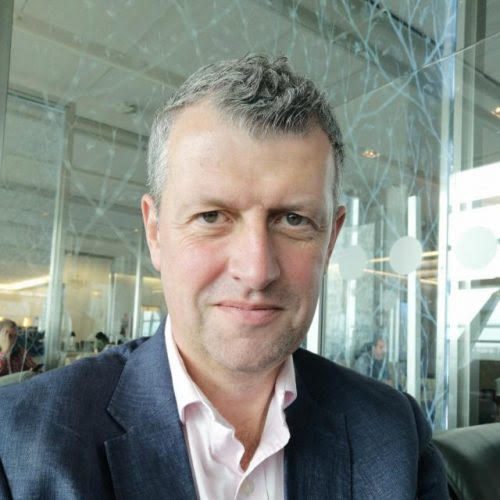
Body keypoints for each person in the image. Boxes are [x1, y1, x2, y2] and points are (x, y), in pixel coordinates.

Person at [0, 55, 447, 499]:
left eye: (293, 220)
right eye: (212, 216)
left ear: (331, 239)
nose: (256, 271)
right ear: (155, 233)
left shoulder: (393, 435)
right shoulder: (19, 443)